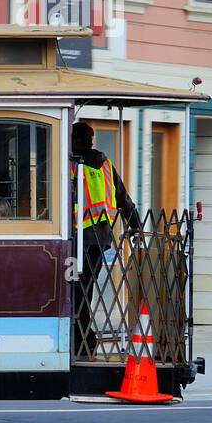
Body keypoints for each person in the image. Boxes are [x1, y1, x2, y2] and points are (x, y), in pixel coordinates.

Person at [71, 121, 141, 359]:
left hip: (77, 238)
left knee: (76, 293)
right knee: (85, 291)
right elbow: (123, 199)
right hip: (99, 240)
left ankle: (82, 341)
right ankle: (84, 340)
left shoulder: (71, 165)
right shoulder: (106, 165)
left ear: (75, 140)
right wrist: (136, 225)